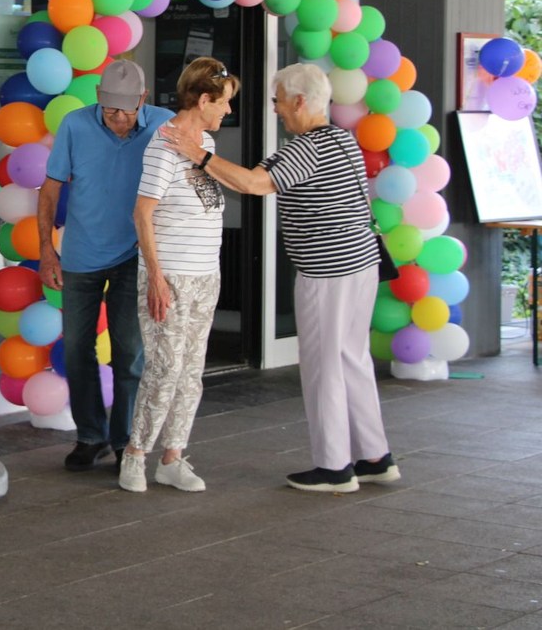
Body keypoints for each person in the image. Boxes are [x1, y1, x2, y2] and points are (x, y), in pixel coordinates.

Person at [161, 62, 400, 493]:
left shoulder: (306, 148)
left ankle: (334, 468)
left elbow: (253, 184)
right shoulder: (341, 138)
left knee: (324, 366)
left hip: (327, 272)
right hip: (361, 264)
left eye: (278, 100)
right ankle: (375, 457)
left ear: (300, 101)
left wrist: (198, 154)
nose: (275, 109)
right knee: (352, 359)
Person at [38, 59, 175, 471]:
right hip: (81, 255)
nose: (117, 118)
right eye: (110, 108)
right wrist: (47, 250)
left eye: (126, 110)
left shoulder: (164, 126)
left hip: (134, 256)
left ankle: (125, 441)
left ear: (143, 99)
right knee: (77, 350)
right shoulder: (75, 125)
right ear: (98, 97)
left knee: (129, 352)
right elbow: (50, 190)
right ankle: (90, 436)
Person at [119, 57, 238, 494]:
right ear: (204, 99)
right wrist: (155, 277)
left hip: (206, 276)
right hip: (170, 277)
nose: (228, 110)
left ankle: (172, 458)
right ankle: (135, 455)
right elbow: (142, 214)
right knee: (165, 369)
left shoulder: (203, 141)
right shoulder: (163, 145)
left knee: (190, 370)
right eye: (224, 102)